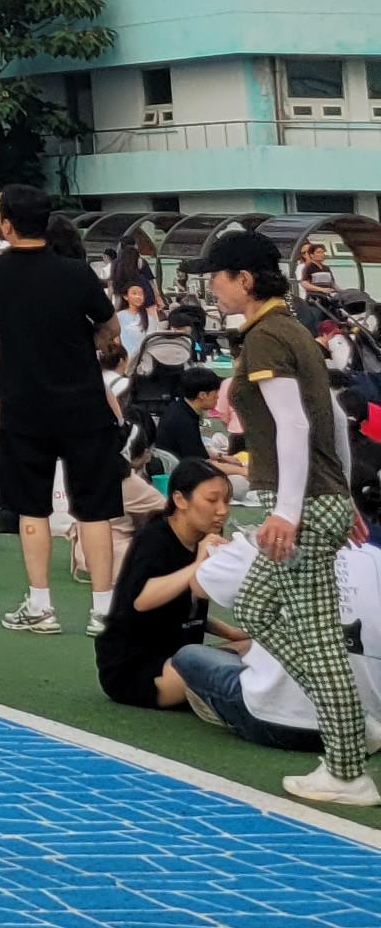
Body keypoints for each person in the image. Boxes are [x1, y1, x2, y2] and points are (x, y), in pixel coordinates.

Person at [201, 224, 375, 806]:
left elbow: (295, 425)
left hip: (302, 505)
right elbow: (332, 419)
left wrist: (289, 511)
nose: (213, 287)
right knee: (255, 607)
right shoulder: (292, 328)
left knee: (319, 642)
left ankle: (347, 768)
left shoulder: (266, 338)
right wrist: (343, 495)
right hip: (322, 498)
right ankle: (351, 722)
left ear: (245, 280)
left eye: (218, 277)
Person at [0, 182, 125, 637]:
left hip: (24, 405)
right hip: (83, 404)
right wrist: (86, 340)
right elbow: (110, 326)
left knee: (32, 509)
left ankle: (41, 606)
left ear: (6, 225)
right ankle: (103, 610)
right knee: (95, 510)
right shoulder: (77, 274)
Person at [180, 521, 381, 764]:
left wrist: (214, 554)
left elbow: (199, 585)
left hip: (276, 720)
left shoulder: (263, 542)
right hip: (366, 719)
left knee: (187, 657)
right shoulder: (375, 557)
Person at [95, 459, 231, 714]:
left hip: (183, 656)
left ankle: (208, 694)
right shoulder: (155, 539)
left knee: (252, 652)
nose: (222, 510)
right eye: (212, 500)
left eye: (227, 501)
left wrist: (233, 634)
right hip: (136, 669)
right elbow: (141, 600)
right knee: (232, 678)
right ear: (180, 500)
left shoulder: (203, 538)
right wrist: (198, 565)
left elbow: (185, 610)